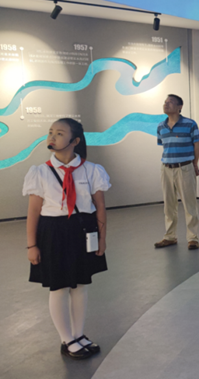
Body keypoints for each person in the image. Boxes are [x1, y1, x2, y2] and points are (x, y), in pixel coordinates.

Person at [23, 118, 111, 359]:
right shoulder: (39, 172)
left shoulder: (92, 170)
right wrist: (32, 245)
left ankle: (79, 334)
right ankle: (66, 338)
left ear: (75, 141)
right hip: (53, 232)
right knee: (59, 287)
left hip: (83, 230)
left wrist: (102, 239)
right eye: (50, 132)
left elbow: (100, 208)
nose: (52, 136)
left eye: (60, 133)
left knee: (81, 285)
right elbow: (33, 212)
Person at [155, 94, 199, 250]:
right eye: (165, 102)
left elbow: (197, 145)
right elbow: (164, 145)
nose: (166, 104)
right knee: (168, 205)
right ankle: (170, 237)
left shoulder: (190, 124)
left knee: (189, 204)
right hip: (166, 168)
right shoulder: (161, 126)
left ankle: (192, 238)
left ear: (179, 107)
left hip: (185, 168)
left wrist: (195, 164)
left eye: (170, 102)